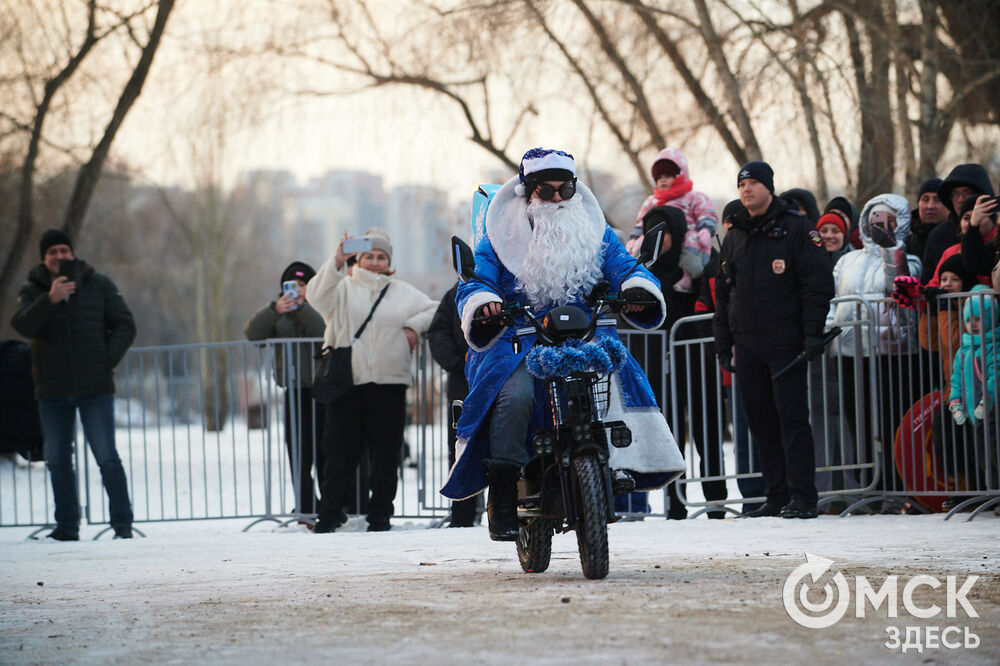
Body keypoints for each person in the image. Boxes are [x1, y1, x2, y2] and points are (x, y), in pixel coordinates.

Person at [442, 147, 685, 540]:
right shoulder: (500, 232)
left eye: (565, 188)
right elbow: (478, 277)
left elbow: (624, 265)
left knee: (619, 381)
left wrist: (636, 288)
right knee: (516, 394)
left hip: (583, 334)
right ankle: (503, 490)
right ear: (527, 191)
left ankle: (621, 463)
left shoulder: (594, 228)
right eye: (545, 189)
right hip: (518, 340)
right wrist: (485, 303)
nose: (557, 198)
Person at [713, 161, 834, 519]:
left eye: (753, 183)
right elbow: (724, 296)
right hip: (748, 345)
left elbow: (817, 284)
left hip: (786, 342)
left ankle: (803, 496)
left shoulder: (796, 228)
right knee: (760, 423)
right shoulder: (735, 236)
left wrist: (812, 332)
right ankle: (776, 494)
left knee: (792, 420)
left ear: (769, 187)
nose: (747, 189)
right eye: (742, 184)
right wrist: (723, 344)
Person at [307, 228, 437, 533]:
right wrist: (337, 260)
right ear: (358, 258)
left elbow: (435, 310)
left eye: (381, 257)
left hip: (389, 383)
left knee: (386, 454)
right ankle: (328, 516)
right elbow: (314, 296)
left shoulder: (402, 291)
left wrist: (413, 327)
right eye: (369, 256)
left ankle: (380, 516)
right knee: (338, 454)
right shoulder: (341, 288)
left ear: (388, 261)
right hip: (347, 383)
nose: (376, 262)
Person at [11, 229, 136, 540]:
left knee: (106, 455)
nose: (59, 256)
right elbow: (23, 326)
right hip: (52, 391)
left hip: (94, 386)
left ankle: (122, 524)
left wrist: (105, 359)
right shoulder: (33, 290)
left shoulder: (99, 284)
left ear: (73, 254)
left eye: (64, 250)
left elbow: (126, 324)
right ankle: (67, 526)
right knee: (56, 459)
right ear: (44, 258)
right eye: (52, 251)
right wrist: (49, 300)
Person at [830, 194, 922, 510]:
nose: (879, 224)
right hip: (851, 353)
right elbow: (834, 302)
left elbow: (894, 284)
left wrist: (891, 246)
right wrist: (829, 337)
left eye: (887, 220)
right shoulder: (847, 261)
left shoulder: (909, 258)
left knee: (891, 422)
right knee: (860, 424)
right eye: (875, 219)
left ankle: (896, 491)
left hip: (891, 354)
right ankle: (872, 490)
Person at [696, 199, 765, 513]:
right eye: (729, 221)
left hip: (762, 354)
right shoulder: (715, 264)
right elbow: (707, 310)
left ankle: (770, 489)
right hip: (730, 365)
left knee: (763, 427)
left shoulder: (758, 256)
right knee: (742, 432)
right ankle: (751, 493)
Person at [244, 261, 326, 518]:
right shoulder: (277, 313)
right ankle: (305, 504)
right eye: (292, 286)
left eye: (303, 285)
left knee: (325, 449)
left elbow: (324, 330)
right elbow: (253, 333)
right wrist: (274, 310)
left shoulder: (321, 306)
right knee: (297, 451)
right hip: (293, 389)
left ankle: (331, 503)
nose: (298, 291)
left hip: (324, 389)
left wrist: (304, 308)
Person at [628, 147, 716, 293]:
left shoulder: (693, 197)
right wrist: (634, 239)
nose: (663, 180)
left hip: (687, 234)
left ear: (680, 175)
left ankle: (689, 276)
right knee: (640, 245)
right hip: (658, 239)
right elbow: (641, 222)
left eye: (667, 175)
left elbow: (706, 212)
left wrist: (705, 229)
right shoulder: (652, 202)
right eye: (659, 177)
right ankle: (638, 277)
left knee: (691, 241)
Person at [427, 280, 479, 527]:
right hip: (464, 384)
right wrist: (459, 364)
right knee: (461, 450)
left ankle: (511, 510)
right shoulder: (454, 294)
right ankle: (463, 515)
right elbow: (438, 333)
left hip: (504, 378)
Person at [948, 285, 999, 493]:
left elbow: (996, 375)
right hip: (973, 414)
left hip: (992, 410)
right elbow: (956, 379)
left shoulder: (993, 345)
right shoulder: (963, 349)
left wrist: (987, 399)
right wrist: (956, 403)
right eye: (970, 320)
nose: (973, 324)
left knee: (996, 450)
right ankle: (992, 491)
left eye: (978, 319)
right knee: (982, 454)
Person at [921, 164, 994, 284]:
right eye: (955, 194)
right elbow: (931, 283)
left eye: (967, 193)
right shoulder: (938, 236)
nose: (960, 199)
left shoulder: (996, 240)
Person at [906, 178, 945, 260]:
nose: (930, 206)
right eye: (925, 199)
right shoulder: (905, 244)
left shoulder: (957, 240)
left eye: (937, 200)